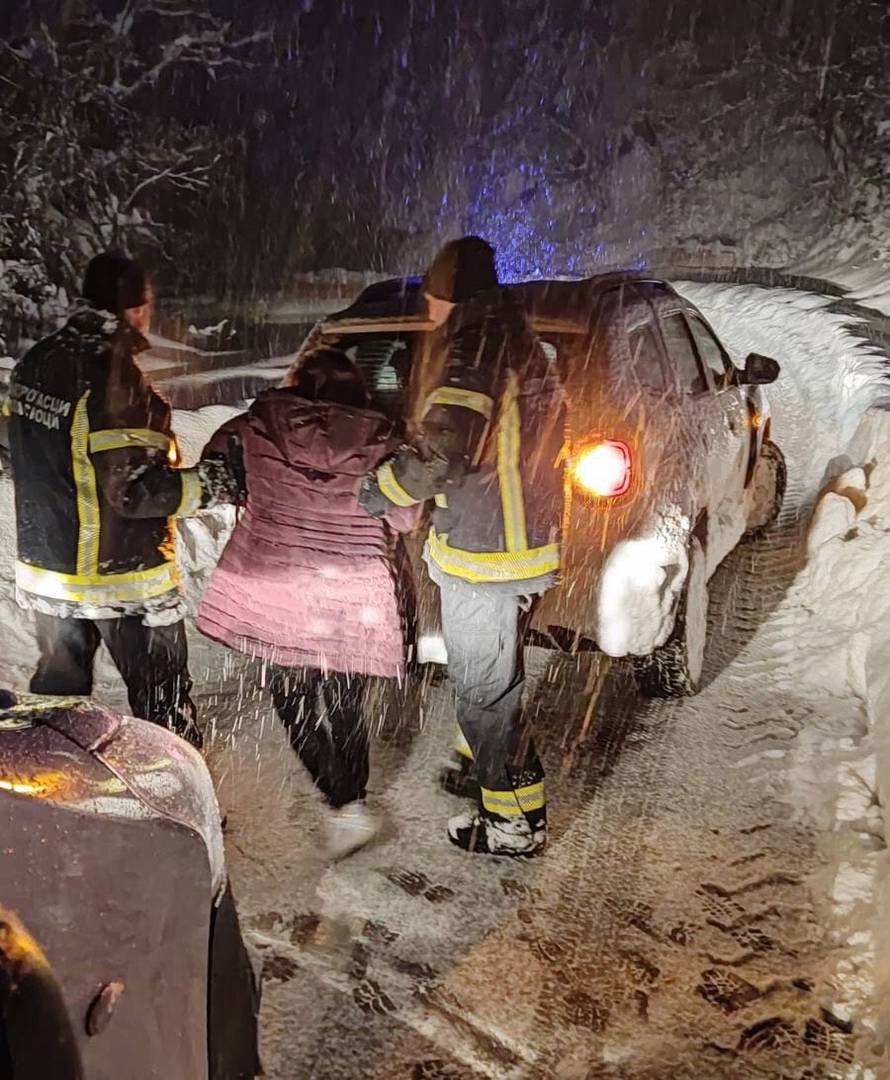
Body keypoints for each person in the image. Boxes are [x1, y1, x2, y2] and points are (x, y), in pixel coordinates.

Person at [359, 236, 567, 857]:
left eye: (430, 295)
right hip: (516, 540)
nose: (427, 308)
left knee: (483, 694)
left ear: (446, 293)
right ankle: (483, 768)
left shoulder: (472, 346)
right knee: (491, 680)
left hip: (487, 552)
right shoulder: (510, 334)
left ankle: (514, 825)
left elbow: (444, 454)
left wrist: (382, 488)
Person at [1, 251, 235, 748]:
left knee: (58, 700)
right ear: (134, 307)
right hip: (123, 580)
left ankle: (53, 790)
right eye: (147, 303)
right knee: (161, 701)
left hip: (50, 572)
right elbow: (136, 491)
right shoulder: (117, 378)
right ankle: (175, 804)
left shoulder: (36, 362)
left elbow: (13, 447)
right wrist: (213, 484)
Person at [196, 349, 418, 858]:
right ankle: (352, 802)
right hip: (350, 590)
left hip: (281, 588)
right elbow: (406, 520)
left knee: (293, 700)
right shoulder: (384, 439)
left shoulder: (260, 424)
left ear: (299, 385)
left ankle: (336, 796)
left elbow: (225, 473)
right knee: (344, 702)